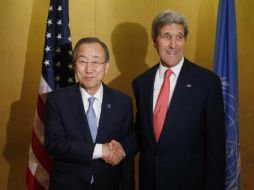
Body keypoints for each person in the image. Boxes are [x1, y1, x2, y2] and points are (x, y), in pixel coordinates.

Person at [132, 10, 225, 190]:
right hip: (150, 182)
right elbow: (141, 133)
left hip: (190, 184)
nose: (173, 45)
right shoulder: (141, 83)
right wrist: (116, 149)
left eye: (179, 37)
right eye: (166, 36)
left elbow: (216, 147)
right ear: (154, 41)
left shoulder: (207, 82)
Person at [44, 37, 136, 190]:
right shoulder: (57, 100)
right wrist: (101, 150)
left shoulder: (123, 102)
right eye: (83, 61)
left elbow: (124, 153)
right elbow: (54, 144)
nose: (89, 69)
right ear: (74, 65)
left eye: (95, 61)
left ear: (106, 67)